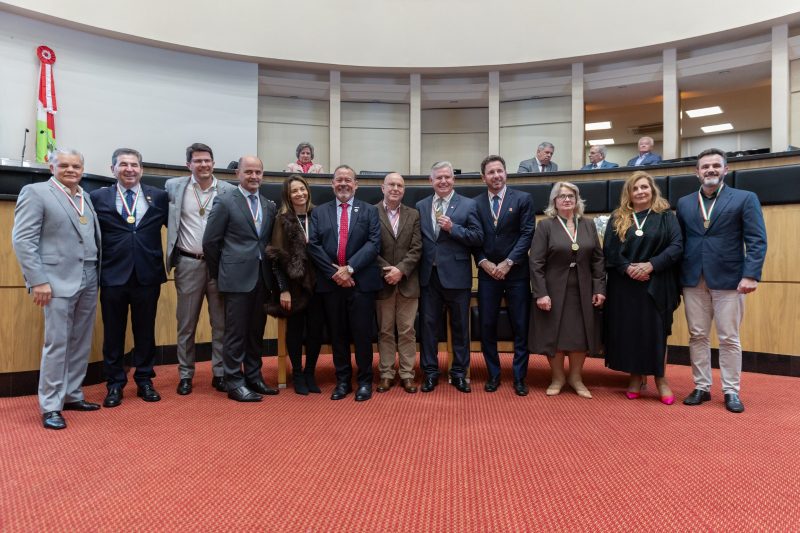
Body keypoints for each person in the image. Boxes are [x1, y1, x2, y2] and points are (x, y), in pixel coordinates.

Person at [12, 149, 101, 429]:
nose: (71, 170)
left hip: (89, 274)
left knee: (80, 340)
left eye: (76, 166)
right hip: (56, 279)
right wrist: (38, 280)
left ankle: (72, 394)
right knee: (57, 343)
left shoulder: (84, 196)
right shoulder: (36, 193)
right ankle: (50, 405)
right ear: (52, 167)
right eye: (64, 165)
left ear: (83, 169)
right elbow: (23, 240)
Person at [676, 148, 767, 413]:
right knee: (697, 335)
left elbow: (756, 240)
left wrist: (751, 274)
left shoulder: (745, 198)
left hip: (730, 279)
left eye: (716, 165)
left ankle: (731, 391)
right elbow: (679, 242)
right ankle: (701, 387)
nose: (711, 170)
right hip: (693, 278)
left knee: (729, 337)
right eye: (705, 167)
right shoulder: (684, 203)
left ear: (726, 170)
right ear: (697, 172)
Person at [90, 148, 168, 408]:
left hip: (147, 274)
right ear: (113, 169)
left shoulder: (158, 197)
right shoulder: (97, 197)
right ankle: (114, 384)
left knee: (145, 331)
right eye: (123, 164)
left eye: (134, 165)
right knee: (113, 333)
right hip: (113, 274)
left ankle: (145, 380)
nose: (129, 169)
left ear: (141, 169)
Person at [203, 156, 280, 402]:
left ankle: (254, 376)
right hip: (235, 278)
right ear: (238, 173)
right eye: (249, 172)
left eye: (258, 172)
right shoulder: (225, 201)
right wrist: (220, 273)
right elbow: (210, 243)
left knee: (256, 331)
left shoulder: (269, 205)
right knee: (235, 333)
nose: (254, 176)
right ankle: (234, 381)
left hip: (262, 278)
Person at [603, 171, 683, 404]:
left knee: (656, 332)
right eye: (635, 188)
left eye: (644, 187)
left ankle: (661, 379)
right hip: (625, 285)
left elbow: (677, 246)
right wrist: (628, 268)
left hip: (656, 283)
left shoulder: (666, 216)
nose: (640, 192)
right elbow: (609, 249)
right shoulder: (618, 217)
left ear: (652, 189)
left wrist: (651, 265)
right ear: (629, 193)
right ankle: (635, 377)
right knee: (630, 332)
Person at [307, 165, 382, 402]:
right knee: (337, 334)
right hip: (331, 284)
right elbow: (314, 246)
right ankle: (342, 381)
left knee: (362, 334)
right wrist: (336, 273)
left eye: (348, 180)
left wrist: (349, 269)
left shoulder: (369, 211)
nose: (343, 184)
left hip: (360, 282)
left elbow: (373, 244)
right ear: (332, 184)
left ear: (356, 184)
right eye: (339, 180)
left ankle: (364, 381)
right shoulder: (319, 212)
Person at [165, 143, 235, 395]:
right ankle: (185, 374)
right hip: (188, 262)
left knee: (221, 323)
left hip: (219, 266)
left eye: (207, 160)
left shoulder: (228, 190)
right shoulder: (173, 187)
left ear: (213, 163)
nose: (203, 165)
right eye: (198, 161)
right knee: (186, 323)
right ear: (189, 165)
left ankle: (220, 373)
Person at [528, 181, 605, 398]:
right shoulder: (545, 226)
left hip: (583, 289)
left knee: (580, 334)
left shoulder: (589, 225)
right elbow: (536, 262)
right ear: (554, 201)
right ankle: (558, 377)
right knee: (556, 334)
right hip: (553, 290)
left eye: (571, 195)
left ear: (577, 199)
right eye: (562, 196)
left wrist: (600, 287)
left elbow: (598, 260)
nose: (567, 199)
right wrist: (540, 292)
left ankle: (576, 377)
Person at [416, 161, 484, 393]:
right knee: (428, 327)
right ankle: (431, 373)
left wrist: (453, 228)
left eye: (447, 177)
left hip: (457, 276)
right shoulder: (421, 205)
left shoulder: (468, 204)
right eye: (438, 178)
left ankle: (459, 373)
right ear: (431, 181)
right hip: (428, 277)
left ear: (453, 180)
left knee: (460, 327)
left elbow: (477, 237)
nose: (443, 181)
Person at [473, 155, 535, 396]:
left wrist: (508, 263)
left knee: (520, 326)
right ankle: (494, 374)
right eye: (491, 172)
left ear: (506, 173)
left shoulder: (523, 199)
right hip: (488, 274)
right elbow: (474, 238)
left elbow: (527, 233)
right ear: (483, 177)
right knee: (487, 325)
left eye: (499, 171)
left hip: (517, 273)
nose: (496, 176)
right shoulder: (475, 204)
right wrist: (484, 262)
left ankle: (520, 378)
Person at [265, 175, 324, 395]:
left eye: (302, 189)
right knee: (296, 331)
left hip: (319, 283)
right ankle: (297, 374)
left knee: (316, 330)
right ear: (287, 196)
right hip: (294, 284)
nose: (299, 194)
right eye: (294, 191)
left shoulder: (318, 214)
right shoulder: (282, 219)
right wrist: (284, 289)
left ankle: (310, 373)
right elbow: (276, 258)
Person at [374, 172, 422, 394]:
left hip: (408, 282)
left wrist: (400, 270)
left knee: (407, 331)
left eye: (399, 185)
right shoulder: (370, 212)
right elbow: (369, 247)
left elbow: (417, 248)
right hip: (382, 283)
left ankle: (407, 374)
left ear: (404, 190)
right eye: (391, 184)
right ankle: (385, 373)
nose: (395, 188)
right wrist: (388, 271)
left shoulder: (413, 214)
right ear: (382, 188)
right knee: (384, 331)